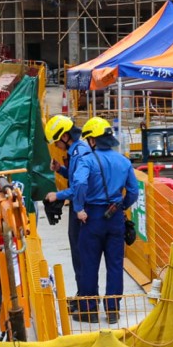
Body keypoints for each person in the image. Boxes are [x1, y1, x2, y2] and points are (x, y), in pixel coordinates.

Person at [70, 116, 138, 324]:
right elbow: (133, 191)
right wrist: (122, 206)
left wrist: (79, 208)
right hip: (115, 217)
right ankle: (113, 310)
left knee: (89, 264)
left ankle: (90, 311)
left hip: (92, 218)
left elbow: (80, 184)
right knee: (115, 265)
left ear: (92, 140)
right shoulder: (124, 161)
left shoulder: (87, 160)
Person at [42, 114, 91, 297]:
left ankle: (86, 299)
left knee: (81, 255)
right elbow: (74, 177)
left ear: (64, 136)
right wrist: (60, 170)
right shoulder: (75, 151)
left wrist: (58, 195)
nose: (56, 146)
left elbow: (79, 186)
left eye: (56, 141)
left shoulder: (80, 153)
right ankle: (82, 295)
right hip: (79, 208)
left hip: (82, 209)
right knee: (78, 255)